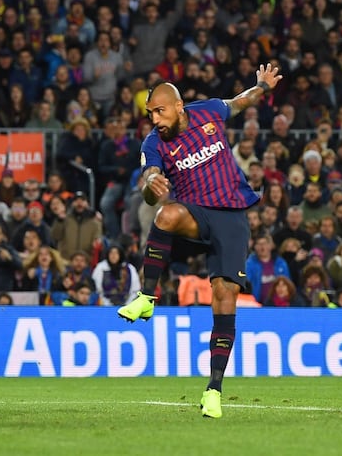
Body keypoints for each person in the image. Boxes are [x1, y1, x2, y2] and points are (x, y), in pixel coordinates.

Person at [118, 63, 283, 419]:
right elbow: (150, 182)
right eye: (150, 114)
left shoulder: (207, 111)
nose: (155, 119)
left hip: (232, 216)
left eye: (160, 111)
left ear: (178, 106)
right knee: (165, 214)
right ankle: (146, 297)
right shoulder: (153, 143)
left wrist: (262, 87)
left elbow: (238, 102)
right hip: (197, 214)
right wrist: (150, 187)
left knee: (225, 296)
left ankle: (214, 390)